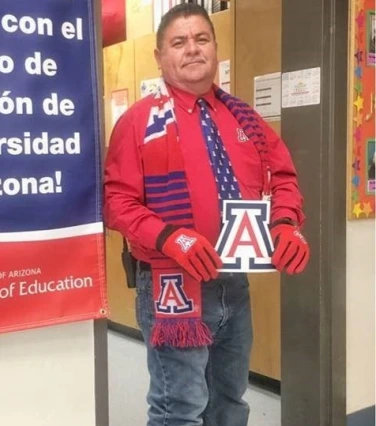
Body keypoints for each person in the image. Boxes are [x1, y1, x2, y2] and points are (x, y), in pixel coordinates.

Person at [103, 4, 310, 426]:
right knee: (179, 409)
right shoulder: (138, 122)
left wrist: (286, 224)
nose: (192, 49)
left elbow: (283, 178)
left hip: (234, 285)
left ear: (215, 48)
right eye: (179, 42)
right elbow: (117, 202)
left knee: (231, 401)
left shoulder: (246, 120)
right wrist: (172, 237)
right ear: (161, 57)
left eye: (201, 39)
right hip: (172, 283)